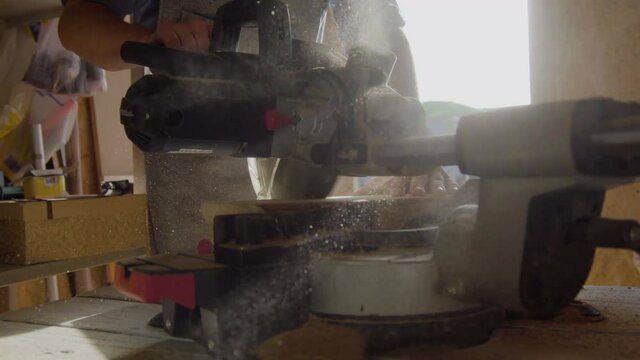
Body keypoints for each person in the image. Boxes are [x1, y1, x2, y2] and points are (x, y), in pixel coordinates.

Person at [59, 0, 456, 253]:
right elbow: (77, 20)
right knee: (197, 310)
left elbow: (384, 38)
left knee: (294, 302)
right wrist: (148, 37)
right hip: (193, 151)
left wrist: (412, 147)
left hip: (296, 140)